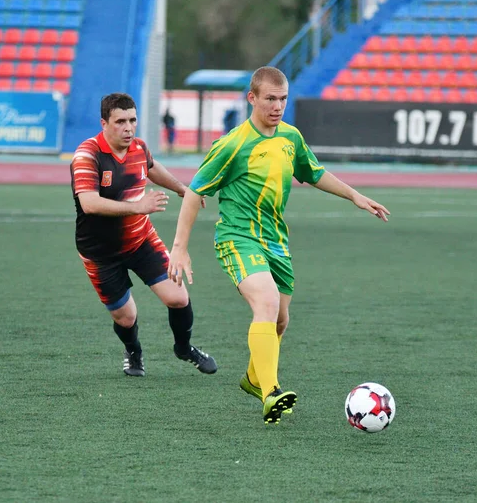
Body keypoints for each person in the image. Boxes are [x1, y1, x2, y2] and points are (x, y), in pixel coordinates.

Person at [167, 67, 389, 425]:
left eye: (283, 98)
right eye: (270, 98)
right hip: (238, 238)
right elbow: (195, 191)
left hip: (276, 241)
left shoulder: (290, 137)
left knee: (280, 320)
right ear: (251, 98)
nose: (278, 106)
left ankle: (254, 379)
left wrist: (354, 196)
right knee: (267, 303)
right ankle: (270, 393)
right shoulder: (232, 144)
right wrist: (180, 247)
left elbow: (313, 172)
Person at [70, 92, 217, 378]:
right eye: (120, 121)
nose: (128, 128)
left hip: (141, 241)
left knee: (178, 298)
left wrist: (181, 188)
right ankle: (133, 351)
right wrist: (138, 207)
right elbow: (88, 203)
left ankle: (184, 348)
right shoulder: (88, 155)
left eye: (133, 120)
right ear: (104, 123)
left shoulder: (138, 147)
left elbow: (151, 167)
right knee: (126, 318)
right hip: (100, 253)